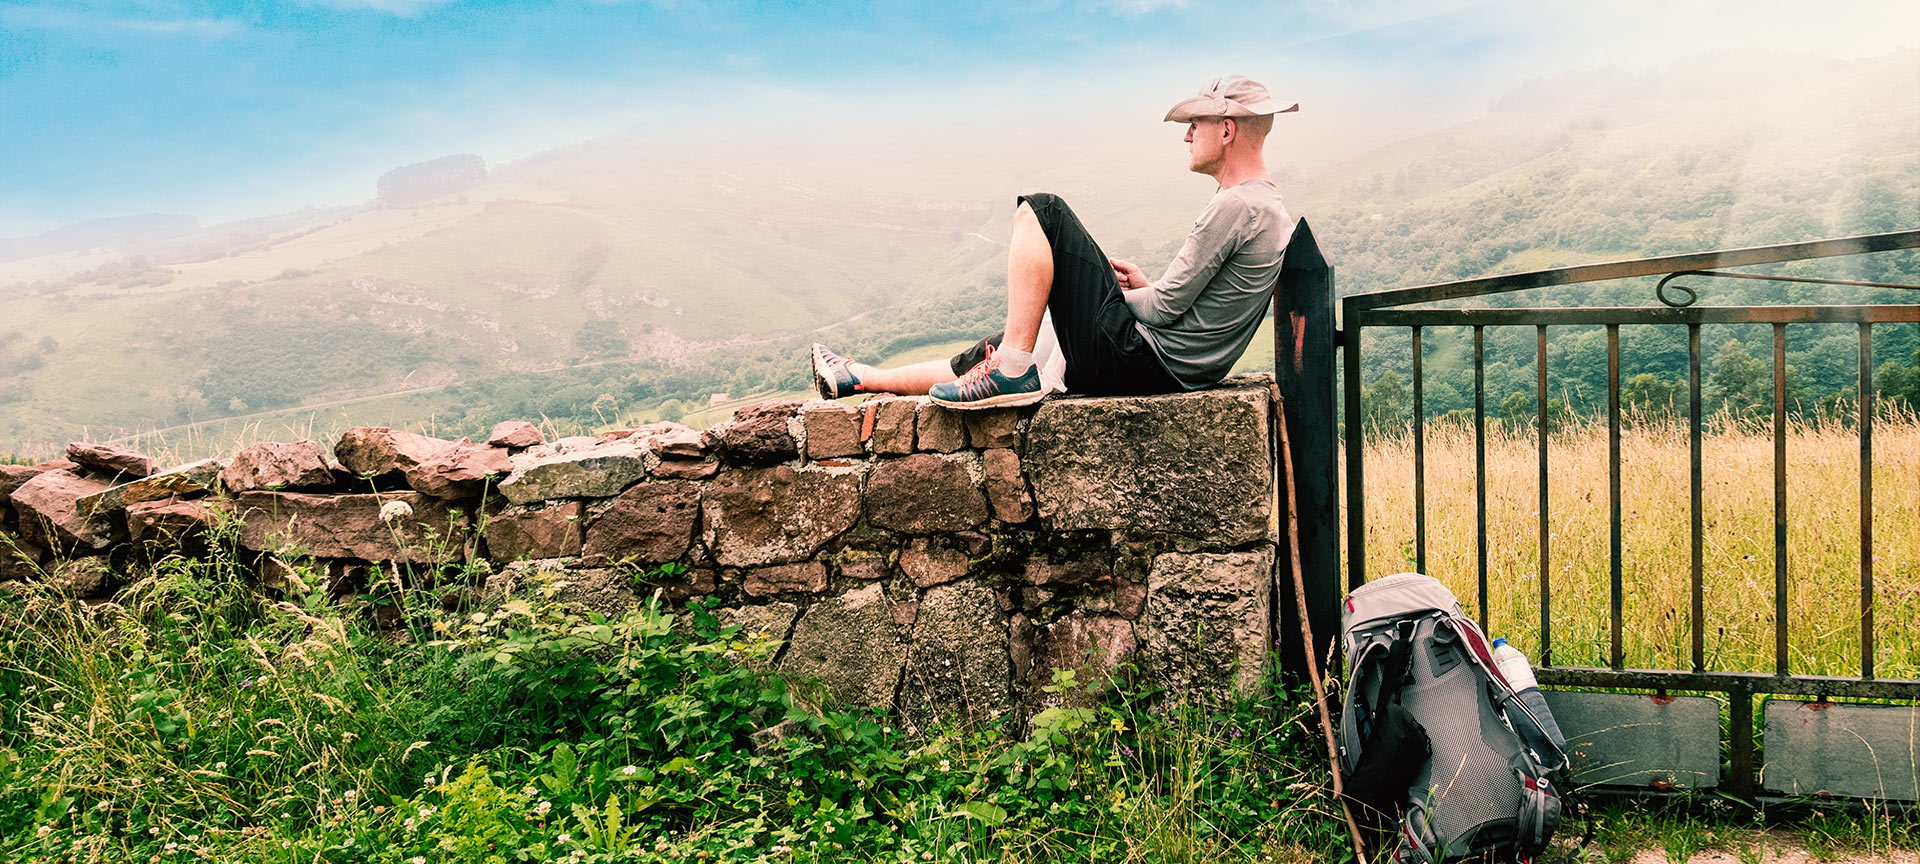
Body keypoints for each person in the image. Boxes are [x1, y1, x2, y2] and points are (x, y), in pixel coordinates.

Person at [811, 75, 1297, 410]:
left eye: (1197, 125)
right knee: (1001, 345)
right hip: (1165, 366)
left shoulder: (1238, 205)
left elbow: (1167, 308)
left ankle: (1015, 369)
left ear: (1227, 130)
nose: (1187, 136)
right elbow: (1186, 301)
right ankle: (860, 376)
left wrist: (1118, 295)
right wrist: (1133, 288)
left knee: (1042, 209)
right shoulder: (1262, 205)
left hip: (1143, 362)